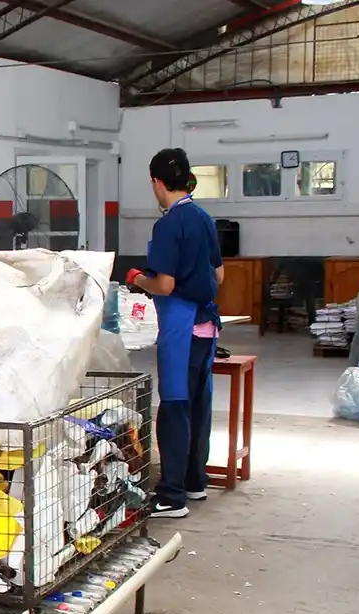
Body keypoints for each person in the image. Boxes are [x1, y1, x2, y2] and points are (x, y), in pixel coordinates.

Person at [125, 148, 223, 519]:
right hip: (206, 326)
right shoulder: (203, 218)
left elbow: (164, 285)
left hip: (180, 325)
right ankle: (196, 481)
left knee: (175, 407)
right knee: (199, 404)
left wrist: (137, 278)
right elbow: (219, 275)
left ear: (156, 182)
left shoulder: (169, 225)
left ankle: (171, 496)